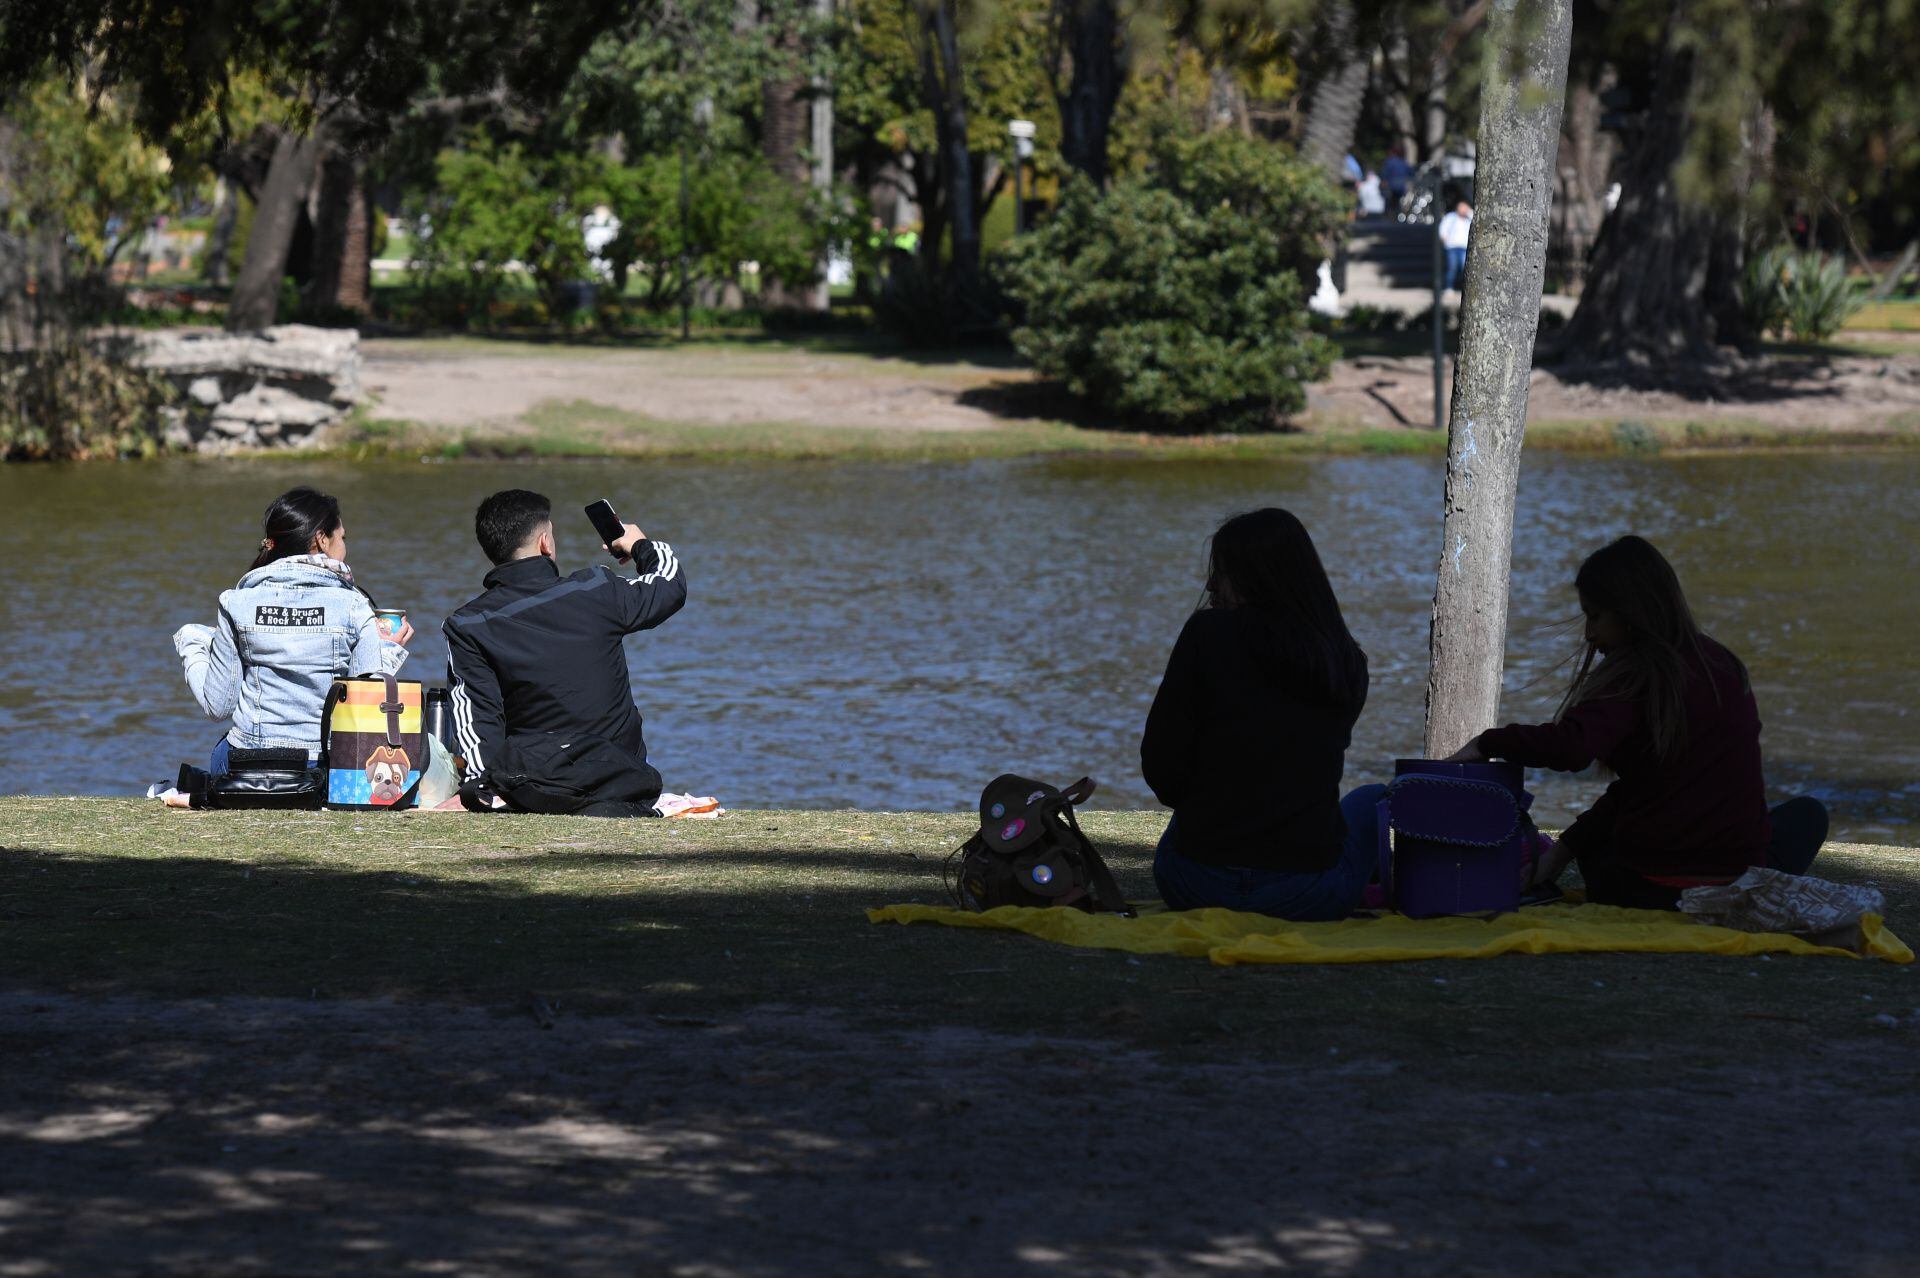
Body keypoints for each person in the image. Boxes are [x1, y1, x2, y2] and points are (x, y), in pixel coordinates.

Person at [1443, 535, 1828, 910]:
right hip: (1742, 877)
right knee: (1808, 814)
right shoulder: (1721, 664)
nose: (1589, 635)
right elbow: (1644, 787)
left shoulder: (1636, 674)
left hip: (1653, 887)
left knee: (1605, 853)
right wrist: (1560, 854)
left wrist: (1487, 743)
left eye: (1594, 617)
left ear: (1629, 613)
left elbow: (1572, 747)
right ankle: (1731, 891)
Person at [1142, 509, 1374, 920]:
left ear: (1257, 577)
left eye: (1223, 572)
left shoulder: (1205, 634)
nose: (1210, 584)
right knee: (1372, 800)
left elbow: (1163, 770)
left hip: (1195, 885)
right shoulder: (1344, 658)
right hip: (1310, 894)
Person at [444, 489, 687, 816]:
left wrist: (482, 788)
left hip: (537, 788)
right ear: (545, 542)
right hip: (622, 781)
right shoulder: (595, 588)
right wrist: (640, 545)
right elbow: (669, 584)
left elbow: (475, 718)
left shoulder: (469, 624)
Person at [174, 487, 413, 775]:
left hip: (248, 767)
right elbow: (367, 705)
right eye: (342, 538)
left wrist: (192, 645)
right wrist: (388, 648)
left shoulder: (236, 602)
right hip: (322, 767)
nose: (344, 548)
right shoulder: (353, 606)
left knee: (223, 745)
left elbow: (218, 706)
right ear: (322, 540)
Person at [1438, 198, 1473, 291]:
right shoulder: (1450, 217)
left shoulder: (1468, 218)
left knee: (1464, 268)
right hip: (1452, 247)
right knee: (1451, 268)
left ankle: (1464, 287)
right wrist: (1445, 240)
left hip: (1464, 248)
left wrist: (1468, 211)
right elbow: (1443, 230)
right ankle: (1449, 287)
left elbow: (1475, 217)